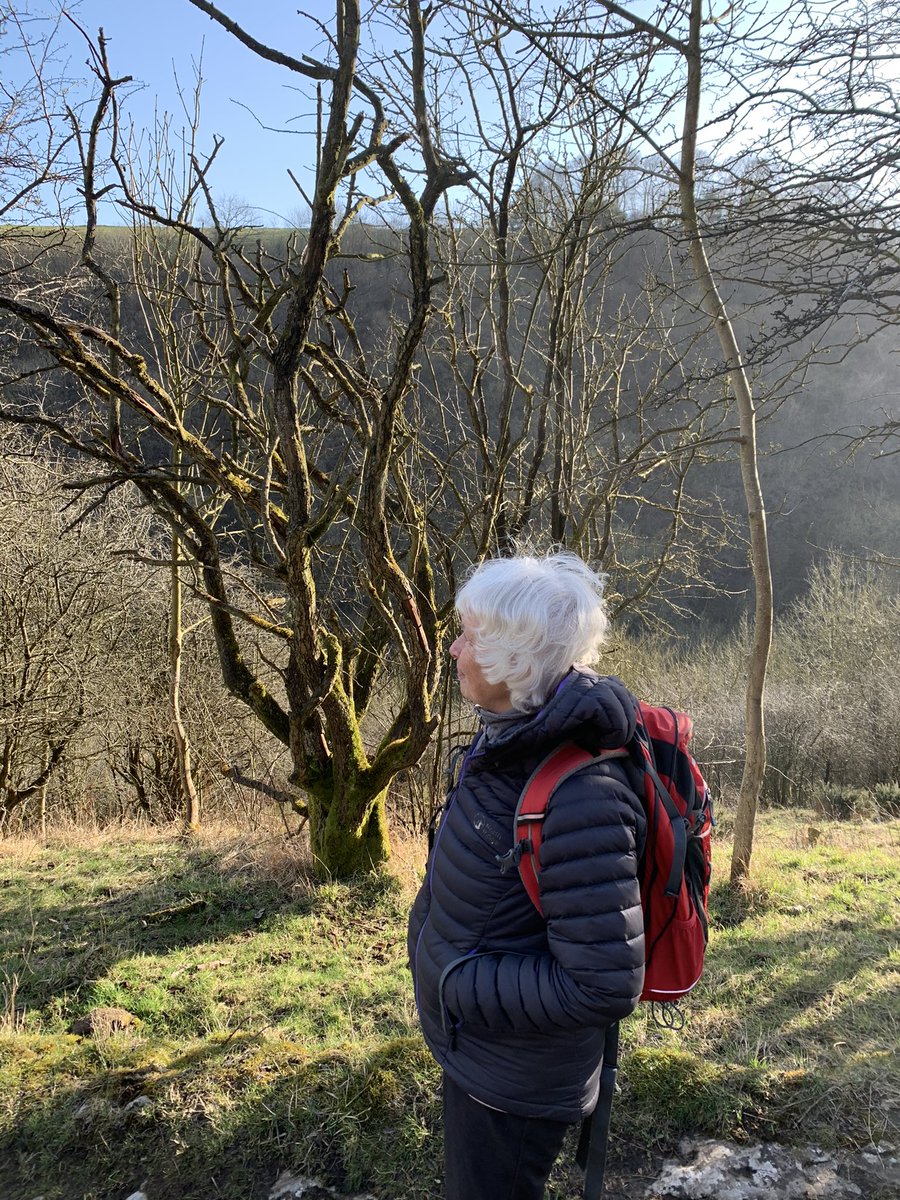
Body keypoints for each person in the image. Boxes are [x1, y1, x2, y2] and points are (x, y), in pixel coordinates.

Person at [407, 550, 646, 1200]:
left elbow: (602, 985)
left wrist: (455, 978)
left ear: (514, 658)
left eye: (469, 635)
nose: (453, 648)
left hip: (514, 1086)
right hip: (481, 1052)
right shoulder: (509, 739)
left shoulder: (582, 798)